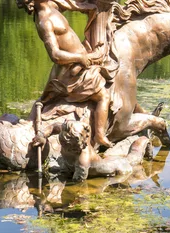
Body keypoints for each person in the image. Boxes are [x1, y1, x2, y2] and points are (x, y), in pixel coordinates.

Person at [16, 0, 113, 147]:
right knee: (103, 96)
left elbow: (73, 4)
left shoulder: (52, 5)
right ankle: (99, 135)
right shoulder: (44, 21)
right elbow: (55, 55)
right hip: (70, 71)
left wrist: (92, 6)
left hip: (80, 62)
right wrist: (80, 57)